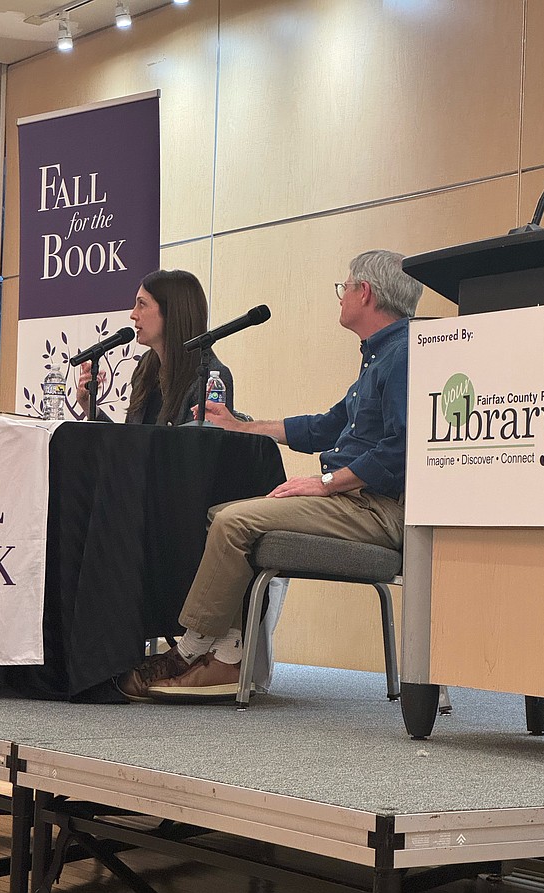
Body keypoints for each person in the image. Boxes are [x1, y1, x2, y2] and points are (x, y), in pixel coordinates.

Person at [116, 249, 423, 702]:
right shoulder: (379, 357)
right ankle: (226, 650)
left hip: (379, 510)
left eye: (345, 287)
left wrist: (323, 484)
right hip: (353, 501)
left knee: (234, 521)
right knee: (223, 513)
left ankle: (196, 653)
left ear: (366, 292)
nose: (340, 296)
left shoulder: (404, 356)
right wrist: (243, 427)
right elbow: (323, 425)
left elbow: (401, 450)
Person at [76, 268, 234, 425]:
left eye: (142, 304)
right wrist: (88, 403)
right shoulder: (146, 366)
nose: (133, 314)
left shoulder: (211, 377)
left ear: (171, 312)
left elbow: (201, 446)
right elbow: (128, 443)